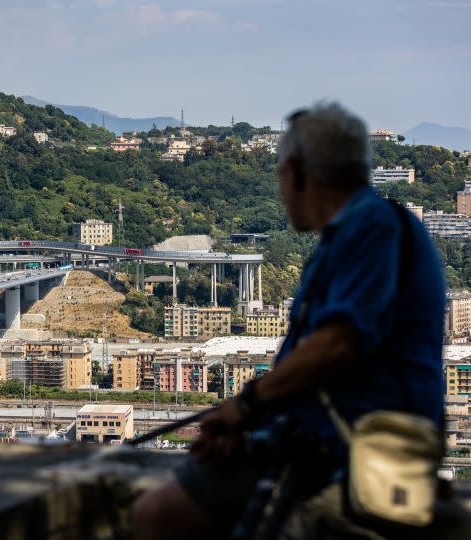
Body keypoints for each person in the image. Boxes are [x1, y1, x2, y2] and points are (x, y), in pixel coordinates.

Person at [132, 102, 446, 539]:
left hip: (348, 455)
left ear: (298, 172)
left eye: (280, 175)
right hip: (328, 445)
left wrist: (246, 407)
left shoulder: (371, 226)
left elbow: (340, 342)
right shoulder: (355, 233)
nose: (281, 189)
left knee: (161, 514)